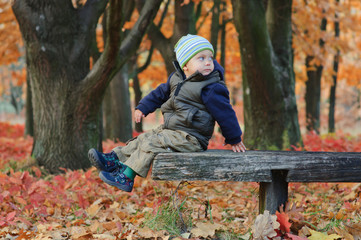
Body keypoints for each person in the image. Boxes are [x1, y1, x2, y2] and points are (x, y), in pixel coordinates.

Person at [88, 34, 246, 192]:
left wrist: (234, 138)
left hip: (191, 138)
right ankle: (113, 159)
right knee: (144, 137)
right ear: (185, 66)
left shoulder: (211, 87)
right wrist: (143, 107)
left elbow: (226, 113)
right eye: (201, 58)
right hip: (173, 131)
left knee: (152, 143)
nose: (207, 62)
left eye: (210, 58)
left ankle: (127, 176)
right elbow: (159, 94)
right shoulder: (176, 79)